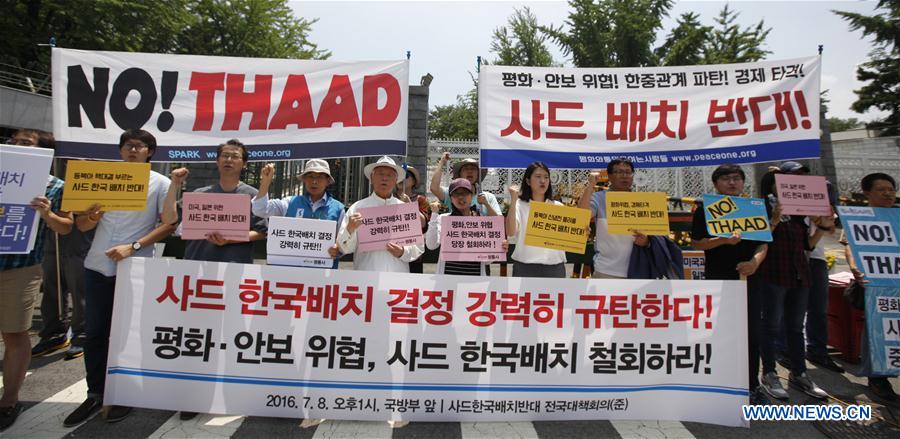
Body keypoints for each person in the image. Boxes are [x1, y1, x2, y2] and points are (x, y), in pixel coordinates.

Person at [64, 129, 175, 427]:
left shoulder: (161, 183)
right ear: (121, 150)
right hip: (98, 265)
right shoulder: (104, 177)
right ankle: (95, 392)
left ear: (150, 152)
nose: (133, 150)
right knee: (95, 333)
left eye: (139, 146)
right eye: (128, 146)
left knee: (127, 334)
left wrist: (134, 246)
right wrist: (92, 216)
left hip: (135, 267)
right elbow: (84, 226)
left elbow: (168, 224)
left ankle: (124, 393)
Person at [0, 130, 73, 431]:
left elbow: (66, 227)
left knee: (15, 333)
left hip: (20, 268)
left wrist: (46, 213)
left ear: (45, 152)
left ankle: (9, 400)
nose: (18, 146)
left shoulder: (56, 187)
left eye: (27, 143)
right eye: (15, 141)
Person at [690, 164, 769, 404]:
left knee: (751, 333)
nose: (732, 183)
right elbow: (697, 244)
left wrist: (754, 263)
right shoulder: (705, 210)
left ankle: (751, 384)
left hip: (750, 280)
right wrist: (723, 240)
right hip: (718, 278)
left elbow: (763, 244)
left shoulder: (753, 208)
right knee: (721, 331)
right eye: (726, 179)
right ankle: (720, 381)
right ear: (716, 184)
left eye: (736, 178)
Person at [756, 170, 832, 401]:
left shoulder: (800, 212)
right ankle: (769, 374)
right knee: (770, 326)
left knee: (796, 328)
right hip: (772, 274)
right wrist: (775, 219)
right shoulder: (762, 207)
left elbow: (807, 246)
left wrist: (822, 227)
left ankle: (800, 373)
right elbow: (758, 238)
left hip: (799, 275)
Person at [771, 162, 843, 374]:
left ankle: (818, 350)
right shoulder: (774, 203)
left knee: (818, 308)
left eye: (802, 175)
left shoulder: (817, 199)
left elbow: (829, 229)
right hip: (788, 260)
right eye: (792, 176)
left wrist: (820, 220)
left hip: (816, 258)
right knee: (787, 309)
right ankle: (783, 349)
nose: (798, 180)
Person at [162, 139, 268, 264]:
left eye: (235, 157)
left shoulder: (253, 195)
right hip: (195, 264)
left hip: (234, 266)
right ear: (217, 161)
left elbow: (261, 232)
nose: (228, 160)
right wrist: (174, 183)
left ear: (244, 164)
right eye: (224, 156)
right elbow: (169, 220)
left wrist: (229, 239)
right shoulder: (199, 195)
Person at [842, 172, 898, 401]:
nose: (888, 193)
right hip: (875, 284)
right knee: (877, 328)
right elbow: (848, 246)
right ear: (867, 193)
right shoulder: (859, 216)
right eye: (881, 189)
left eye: (891, 189)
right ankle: (877, 377)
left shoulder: (897, 216)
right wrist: (856, 268)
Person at [337, 156, 424, 272]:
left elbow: (418, 247)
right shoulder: (357, 208)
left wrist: (403, 252)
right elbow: (344, 247)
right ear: (371, 178)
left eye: (389, 175)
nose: (384, 178)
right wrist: (350, 229)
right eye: (380, 174)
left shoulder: (405, 209)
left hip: (397, 277)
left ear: (396, 180)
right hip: (366, 277)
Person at [251, 159, 344, 267]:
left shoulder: (338, 209)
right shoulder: (290, 202)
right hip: (289, 274)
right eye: (310, 176)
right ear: (304, 179)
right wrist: (265, 182)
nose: (314, 181)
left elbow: (344, 242)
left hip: (321, 277)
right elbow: (260, 209)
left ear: (328, 181)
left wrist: (338, 250)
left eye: (320, 177)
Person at [577, 158, 650, 279]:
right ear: (609, 176)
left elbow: (655, 235)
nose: (624, 176)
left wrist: (647, 241)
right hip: (606, 270)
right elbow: (581, 215)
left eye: (628, 172)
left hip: (639, 269)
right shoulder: (599, 198)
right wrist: (590, 186)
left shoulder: (643, 201)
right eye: (619, 172)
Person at [425, 178, 507, 275]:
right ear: (451, 198)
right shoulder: (443, 219)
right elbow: (431, 245)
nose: (460, 197)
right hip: (446, 281)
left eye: (464, 193)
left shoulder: (482, 222)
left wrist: (499, 248)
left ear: (472, 196)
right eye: (456, 194)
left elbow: (487, 261)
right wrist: (434, 215)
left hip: (474, 281)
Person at [505, 162, 567, 278]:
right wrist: (513, 200)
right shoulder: (519, 205)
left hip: (554, 268)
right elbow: (510, 232)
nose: (543, 181)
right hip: (525, 268)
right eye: (538, 177)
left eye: (546, 177)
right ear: (528, 181)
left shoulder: (558, 206)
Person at [430, 153, 501, 216]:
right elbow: (434, 188)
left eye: (473, 169)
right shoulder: (451, 192)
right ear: (459, 174)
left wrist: (486, 204)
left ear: (478, 174)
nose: (469, 171)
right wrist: (442, 162)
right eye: (466, 169)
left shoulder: (488, 197)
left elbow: (498, 223)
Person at [396, 165, 429, 273]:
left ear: (414, 181)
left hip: (413, 249)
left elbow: (423, 224)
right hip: (393, 249)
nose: (402, 179)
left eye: (406, 175)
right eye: (399, 176)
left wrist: (410, 206)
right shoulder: (388, 198)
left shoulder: (421, 200)